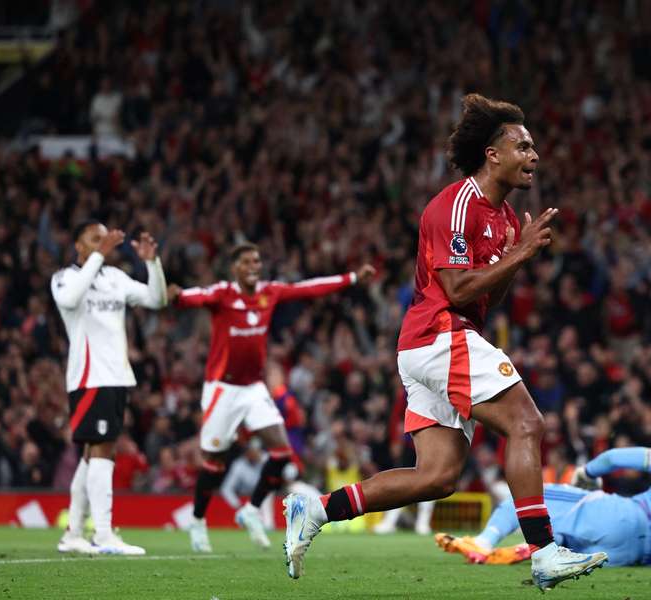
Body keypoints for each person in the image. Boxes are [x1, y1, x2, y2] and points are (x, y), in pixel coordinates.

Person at [283, 94, 607, 591]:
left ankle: (319, 508)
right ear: (493, 153)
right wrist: (517, 254)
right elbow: (456, 290)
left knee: (438, 476)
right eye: (522, 146)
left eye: (534, 147)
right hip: (439, 332)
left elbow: (488, 296)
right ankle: (544, 552)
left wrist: (515, 256)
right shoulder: (457, 203)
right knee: (527, 422)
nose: (534, 156)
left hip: (438, 341)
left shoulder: (501, 219)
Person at [167, 242, 375, 552]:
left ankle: (251, 511)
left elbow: (307, 289)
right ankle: (198, 521)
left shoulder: (270, 291)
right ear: (235, 267)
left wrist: (352, 279)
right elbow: (190, 297)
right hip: (222, 389)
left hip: (253, 388)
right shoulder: (222, 293)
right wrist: (178, 295)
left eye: (257, 260)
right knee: (215, 462)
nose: (254, 266)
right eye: (247, 261)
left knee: (281, 453)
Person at [437, 426, 651, 568]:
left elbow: (617, 457)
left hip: (629, 517)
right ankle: (534, 549)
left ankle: (483, 542)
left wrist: (588, 473)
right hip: (632, 557)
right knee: (570, 538)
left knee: (528, 497)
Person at [52, 220, 168, 555]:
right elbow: (71, 300)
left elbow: (156, 299)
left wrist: (151, 263)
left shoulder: (115, 279)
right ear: (78, 245)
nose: (103, 244)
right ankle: (102, 534)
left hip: (117, 376)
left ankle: (73, 534)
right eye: (94, 239)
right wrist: (99, 257)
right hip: (90, 377)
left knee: (95, 455)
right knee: (102, 451)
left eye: (105, 240)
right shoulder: (66, 278)